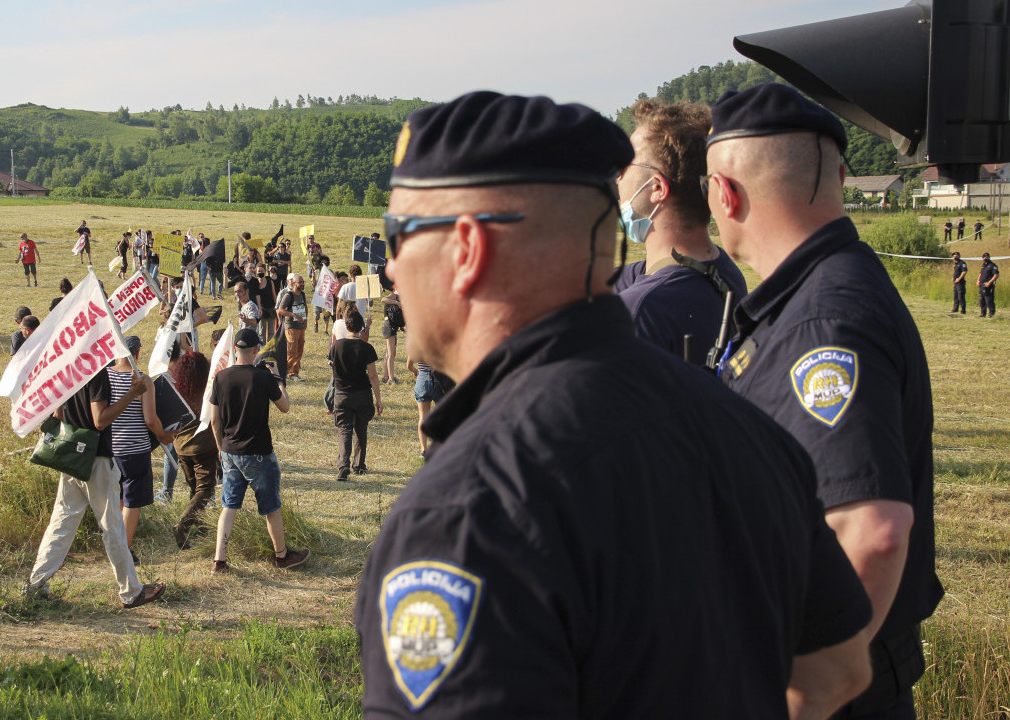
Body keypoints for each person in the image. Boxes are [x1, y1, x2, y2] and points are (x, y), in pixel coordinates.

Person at [357, 90, 874, 718]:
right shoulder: (749, 430)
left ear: (467, 250)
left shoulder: (466, 512)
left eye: (398, 235)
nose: (387, 268)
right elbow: (837, 669)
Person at [706, 83, 943, 718]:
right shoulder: (823, 292)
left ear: (723, 193)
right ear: (840, 173)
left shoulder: (823, 320)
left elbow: (874, 532)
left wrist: (798, 695)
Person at [612, 98, 747, 362]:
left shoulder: (639, 312)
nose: (618, 176)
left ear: (658, 188)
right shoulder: (724, 271)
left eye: (626, 164)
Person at [25, 354, 165, 609]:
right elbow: (100, 420)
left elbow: (58, 411)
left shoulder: (67, 369)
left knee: (62, 522)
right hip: (96, 459)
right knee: (112, 525)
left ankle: (36, 584)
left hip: (71, 457)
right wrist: (133, 392)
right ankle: (131, 592)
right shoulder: (96, 373)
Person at [208, 329, 310, 573]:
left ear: (235, 349)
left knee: (229, 506)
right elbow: (284, 407)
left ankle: (219, 560)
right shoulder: (262, 377)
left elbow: (214, 421)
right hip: (259, 452)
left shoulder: (221, 378)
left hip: (230, 451)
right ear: (256, 350)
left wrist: (221, 448)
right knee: (271, 507)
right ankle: (282, 555)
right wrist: (278, 380)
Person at [106, 336, 174, 564]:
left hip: (110, 448)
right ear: (137, 354)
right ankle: (123, 551)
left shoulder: (104, 377)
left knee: (117, 501)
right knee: (132, 502)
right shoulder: (143, 381)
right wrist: (164, 436)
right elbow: (150, 420)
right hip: (135, 449)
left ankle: (115, 544)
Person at [168, 351, 219, 549]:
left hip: (181, 446)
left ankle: (202, 525)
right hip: (203, 447)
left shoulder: (177, 390)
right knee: (204, 488)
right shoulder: (208, 390)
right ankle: (183, 524)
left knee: (194, 488)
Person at [329, 311, 382, 481]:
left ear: (346, 326)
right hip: (362, 394)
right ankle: (359, 464)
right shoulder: (367, 348)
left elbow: (332, 366)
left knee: (345, 429)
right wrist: (379, 399)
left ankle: (343, 464)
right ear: (361, 328)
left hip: (342, 393)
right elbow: (373, 376)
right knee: (361, 429)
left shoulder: (336, 346)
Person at [406, 351, 447, 457]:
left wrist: (416, 371)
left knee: (423, 417)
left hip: (422, 381)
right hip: (439, 381)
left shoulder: (419, 343)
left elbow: (409, 365)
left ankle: (424, 449)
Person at [275, 273, 308, 381]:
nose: (302, 284)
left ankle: (294, 371)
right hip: (290, 327)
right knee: (291, 350)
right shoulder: (288, 296)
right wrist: (293, 315)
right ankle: (289, 373)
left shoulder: (302, 295)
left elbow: (305, 307)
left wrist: (305, 320)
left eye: (303, 282)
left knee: (299, 350)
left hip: (300, 327)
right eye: (300, 282)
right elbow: (280, 310)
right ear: (294, 283)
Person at [380, 288, 404, 383]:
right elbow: (383, 299)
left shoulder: (400, 298)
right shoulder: (395, 296)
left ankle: (386, 376)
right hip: (389, 326)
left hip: (392, 327)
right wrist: (397, 303)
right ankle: (391, 378)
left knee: (390, 353)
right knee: (391, 354)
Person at [979, 251, 999, 317]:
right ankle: (983, 313)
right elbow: (981, 274)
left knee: (989, 300)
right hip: (982, 284)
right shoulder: (983, 265)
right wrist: (978, 280)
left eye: (987, 257)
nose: (985, 258)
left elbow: (996, 275)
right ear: (982, 258)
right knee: (982, 300)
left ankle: (991, 313)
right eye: (984, 257)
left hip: (989, 285)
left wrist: (989, 282)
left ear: (989, 257)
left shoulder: (993, 265)